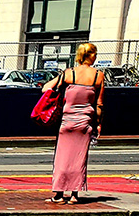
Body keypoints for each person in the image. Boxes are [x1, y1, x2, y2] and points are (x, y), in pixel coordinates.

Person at [43, 42, 103, 204]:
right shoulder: (98, 75)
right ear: (91, 56)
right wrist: (98, 123)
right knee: (79, 159)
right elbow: (99, 104)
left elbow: (46, 88)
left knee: (62, 159)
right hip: (85, 123)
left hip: (67, 122)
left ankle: (58, 195)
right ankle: (74, 195)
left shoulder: (69, 73)